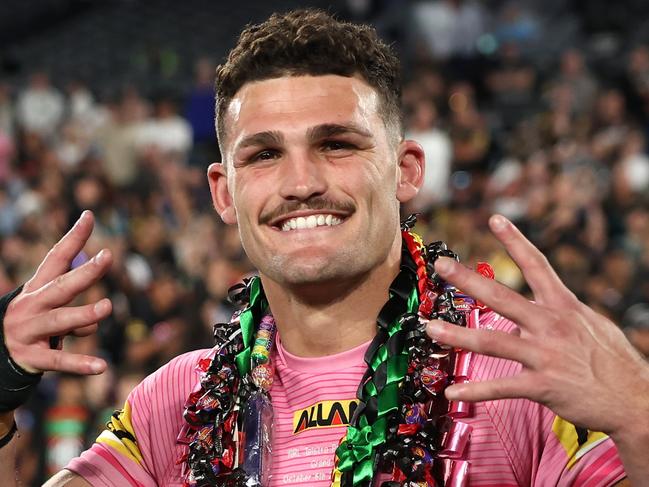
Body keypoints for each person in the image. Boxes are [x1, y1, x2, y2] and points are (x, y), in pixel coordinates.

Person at [0, 9, 645, 487]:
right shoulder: (178, 401)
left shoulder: (517, 373)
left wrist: (638, 414)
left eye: (337, 144)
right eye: (265, 154)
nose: (303, 183)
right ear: (224, 194)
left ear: (407, 170)